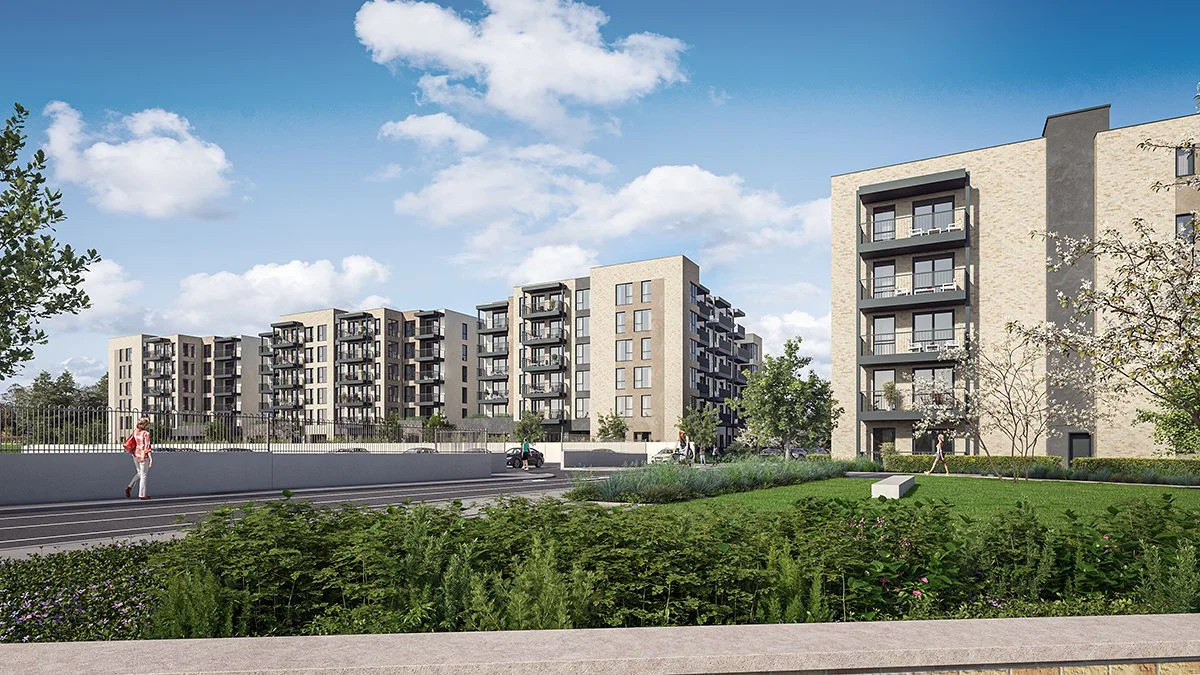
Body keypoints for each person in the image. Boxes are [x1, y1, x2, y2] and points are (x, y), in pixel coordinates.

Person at [125, 417, 153, 500]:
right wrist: (151, 458)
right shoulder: (146, 433)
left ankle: (129, 487)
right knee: (143, 475)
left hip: (135, 454)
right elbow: (147, 447)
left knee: (140, 473)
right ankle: (142, 495)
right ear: (145, 425)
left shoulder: (135, 432)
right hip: (143, 456)